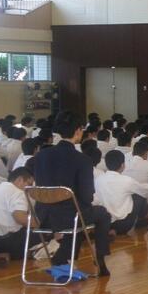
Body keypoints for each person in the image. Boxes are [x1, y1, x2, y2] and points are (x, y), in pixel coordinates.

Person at [33, 111, 112, 276]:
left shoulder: (41, 156)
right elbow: (87, 196)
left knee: (77, 219)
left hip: (43, 216)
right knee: (101, 214)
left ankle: (62, 256)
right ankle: (100, 257)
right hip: (71, 216)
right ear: (77, 131)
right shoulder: (82, 160)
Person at [94, 150, 148, 235]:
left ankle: (110, 230)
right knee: (139, 196)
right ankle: (140, 220)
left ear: (106, 164)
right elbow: (144, 190)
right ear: (123, 165)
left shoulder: (98, 179)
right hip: (124, 223)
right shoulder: (126, 180)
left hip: (104, 221)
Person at [0, 168, 36, 260]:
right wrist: (39, 223)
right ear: (20, 180)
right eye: (29, 184)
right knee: (46, 233)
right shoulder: (18, 192)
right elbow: (20, 217)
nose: (29, 189)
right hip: (8, 241)